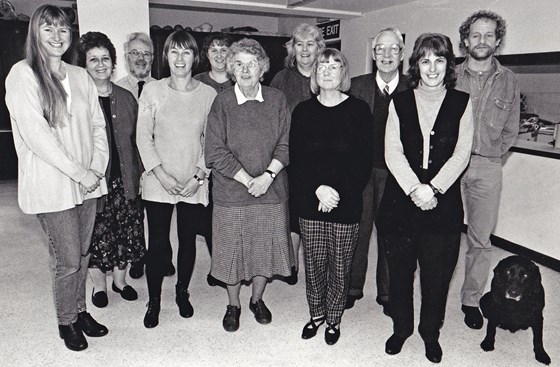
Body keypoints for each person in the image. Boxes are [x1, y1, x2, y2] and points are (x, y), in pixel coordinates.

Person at [4, 4, 109, 351]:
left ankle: (80, 311)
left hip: (88, 182)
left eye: (63, 29)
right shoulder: (23, 74)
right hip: (52, 184)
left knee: (82, 254)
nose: (57, 36)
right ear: (35, 33)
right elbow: (37, 136)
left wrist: (96, 169)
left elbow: (98, 126)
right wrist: (79, 172)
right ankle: (67, 322)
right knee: (66, 257)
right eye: (48, 29)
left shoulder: (80, 77)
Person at [377, 33, 473, 363]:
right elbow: (392, 151)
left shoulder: (462, 102)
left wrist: (433, 189)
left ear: (449, 64)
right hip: (400, 204)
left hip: (442, 207)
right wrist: (414, 188)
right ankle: (401, 328)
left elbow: (462, 154)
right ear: (416, 65)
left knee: (436, 276)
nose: (432, 68)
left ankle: (430, 332)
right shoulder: (399, 102)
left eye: (439, 60)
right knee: (400, 273)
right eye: (425, 60)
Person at [205, 38, 293, 333]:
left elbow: (286, 143)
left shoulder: (277, 99)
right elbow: (215, 151)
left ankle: (256, 299)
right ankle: (233, 304)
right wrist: (247, 180)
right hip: (232, 194)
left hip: (271, 192)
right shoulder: (222, 102)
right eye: (239, 64)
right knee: (232, 253)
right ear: (231, 69)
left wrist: (267, 176)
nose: (245, 70)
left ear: (263, 68)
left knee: (263, 252)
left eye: (251, 63)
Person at [290, 48, 373, 345]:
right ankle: (315, 314)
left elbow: (364, 161)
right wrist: (319, 189)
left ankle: (334, 319)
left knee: (340, 265)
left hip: (347, 201)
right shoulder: (302, 110)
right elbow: (297, 159)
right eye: (322, 66)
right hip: (310, 200)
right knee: (313, 263)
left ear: (343, 73)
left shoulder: (359, 110)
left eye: (334, 66)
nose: (327, 70)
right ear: (314, 74)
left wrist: (337, 191)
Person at [136, 30, 217, 328]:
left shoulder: (208, 95)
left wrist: (199, 174)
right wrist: (159, 173)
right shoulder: (152, 92)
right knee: (157, 243)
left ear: (195, 58)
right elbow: (143, 137)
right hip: (159, 179)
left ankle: (182, 291)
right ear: (165, 56)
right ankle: (154, 300)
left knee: (187, 242)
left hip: (193, 180)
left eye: (186, 52)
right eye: (174, 52)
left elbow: (212, 140)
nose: (180, 58)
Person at [455, 10, 520, 330]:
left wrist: (493, 156)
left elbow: (512, 128)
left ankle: (470, 299)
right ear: (465, 40)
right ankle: (434, 292)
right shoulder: (450, 75)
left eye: (488, 35)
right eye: (476, 35)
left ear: (498, 41)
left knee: (480, 241)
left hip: (487, 167)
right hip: (448, 166)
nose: (482, 41)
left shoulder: (508, 79)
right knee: (438, 234)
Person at [76, 31, 146, 308]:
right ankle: (99, 287)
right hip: (94, 183)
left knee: (127, 234)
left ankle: (120, 281)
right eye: (93, 59)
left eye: (105, 58)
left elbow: (137, 141)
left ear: (113, 63)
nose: (100, 64)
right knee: (98, 237)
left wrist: (140, 176)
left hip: (125, 180)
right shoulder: (79, 99)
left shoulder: (127, 97)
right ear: (84, 64)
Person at [346, 27, 408, 313]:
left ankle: (387, 293)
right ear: (372, 54)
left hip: (396, 175)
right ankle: (352, 287)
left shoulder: (413, 89)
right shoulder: (355, 86)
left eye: (393, 48)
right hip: (360, 171)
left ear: (402, 53)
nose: (386, 54)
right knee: (357, 229)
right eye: (380, 49)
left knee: (391, 232)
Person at [270, 23, 325, 285]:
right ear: (293, 49)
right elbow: (272, 118)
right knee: (291, 212)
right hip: (289, 157)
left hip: (320, 158)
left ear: (319, 48)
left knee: (314, 211)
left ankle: (316, 267)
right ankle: (291, 265)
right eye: (299, 44)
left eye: (310, 44)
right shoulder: (281, 78)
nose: (305, 49)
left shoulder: (327, 74)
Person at [115, 31, 161, 279]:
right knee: (131, 216)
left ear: (153, 57)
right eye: (135, 53)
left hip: (155, 166)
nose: (140, 58)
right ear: (126, 57)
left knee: (157, 217)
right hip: (127, 166)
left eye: (145, 53)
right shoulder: (115, 90)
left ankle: (159, 256)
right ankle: (136, 257)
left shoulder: (162, 88)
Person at [193, 33, 234, 288]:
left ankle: (232, 263)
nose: (219, 54)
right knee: (208, 218)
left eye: (224, 49)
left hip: (235, 162)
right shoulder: (197, 82)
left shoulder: (240, 79)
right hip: (207, 161)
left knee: (232, 217)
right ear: (206, 54)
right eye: (214, 50)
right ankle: (217, 265)